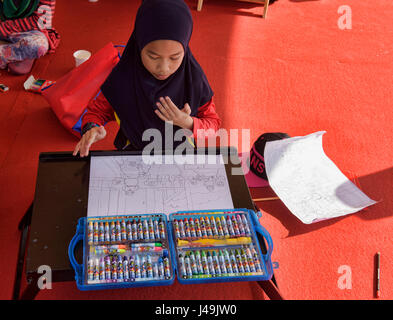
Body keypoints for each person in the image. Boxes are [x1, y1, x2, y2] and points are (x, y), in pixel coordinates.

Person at [73, 0, 221, 157]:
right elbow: (97, 112)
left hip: (181, 154)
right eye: (153, 56)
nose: (164, 68)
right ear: (138, 45)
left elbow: (213, 125)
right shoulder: (124, 78)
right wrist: (91, 128)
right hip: (133, 153)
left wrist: (188, 122)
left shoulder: (193, 81)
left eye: (174, 57)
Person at [0, 0, 59, 74]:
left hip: (29, 31)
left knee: (38, 45)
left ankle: (8, 50)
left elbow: (41, 22)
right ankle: (13, 54)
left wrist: (3, 28)